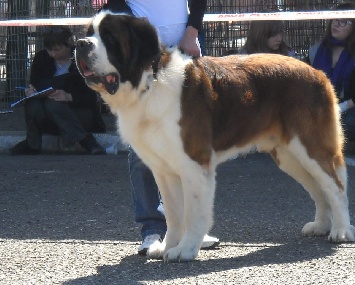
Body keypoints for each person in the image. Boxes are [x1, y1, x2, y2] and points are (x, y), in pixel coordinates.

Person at [102, 0, 220, 255]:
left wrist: (192, 32)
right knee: (142, 144)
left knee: (192, 147)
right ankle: (151, 229)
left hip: (184, 49)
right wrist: (136, 37)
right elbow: (115, 4)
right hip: (141, 56)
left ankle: (192, 228)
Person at [10, 26, 106, 155]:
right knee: (33, 105)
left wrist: (69, 97)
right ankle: (33, 143)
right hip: (49, 119)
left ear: (69, 43)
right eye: (49, 50)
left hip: (79, 116)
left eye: (57, 49)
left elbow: (94, 96)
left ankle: (86, 140)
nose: (53, 54)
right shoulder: (42, 58)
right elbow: (34, 84)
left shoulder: (83, 59)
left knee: (53, 104)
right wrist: (31, 92)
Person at [306, 2, 355, 147]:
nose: (336, 24)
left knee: (349, 123)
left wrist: (344, 106)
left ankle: (320, 140)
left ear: (354, 26)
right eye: (335, 19)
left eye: (343, 21)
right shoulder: (316, 51)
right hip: (322, 108)